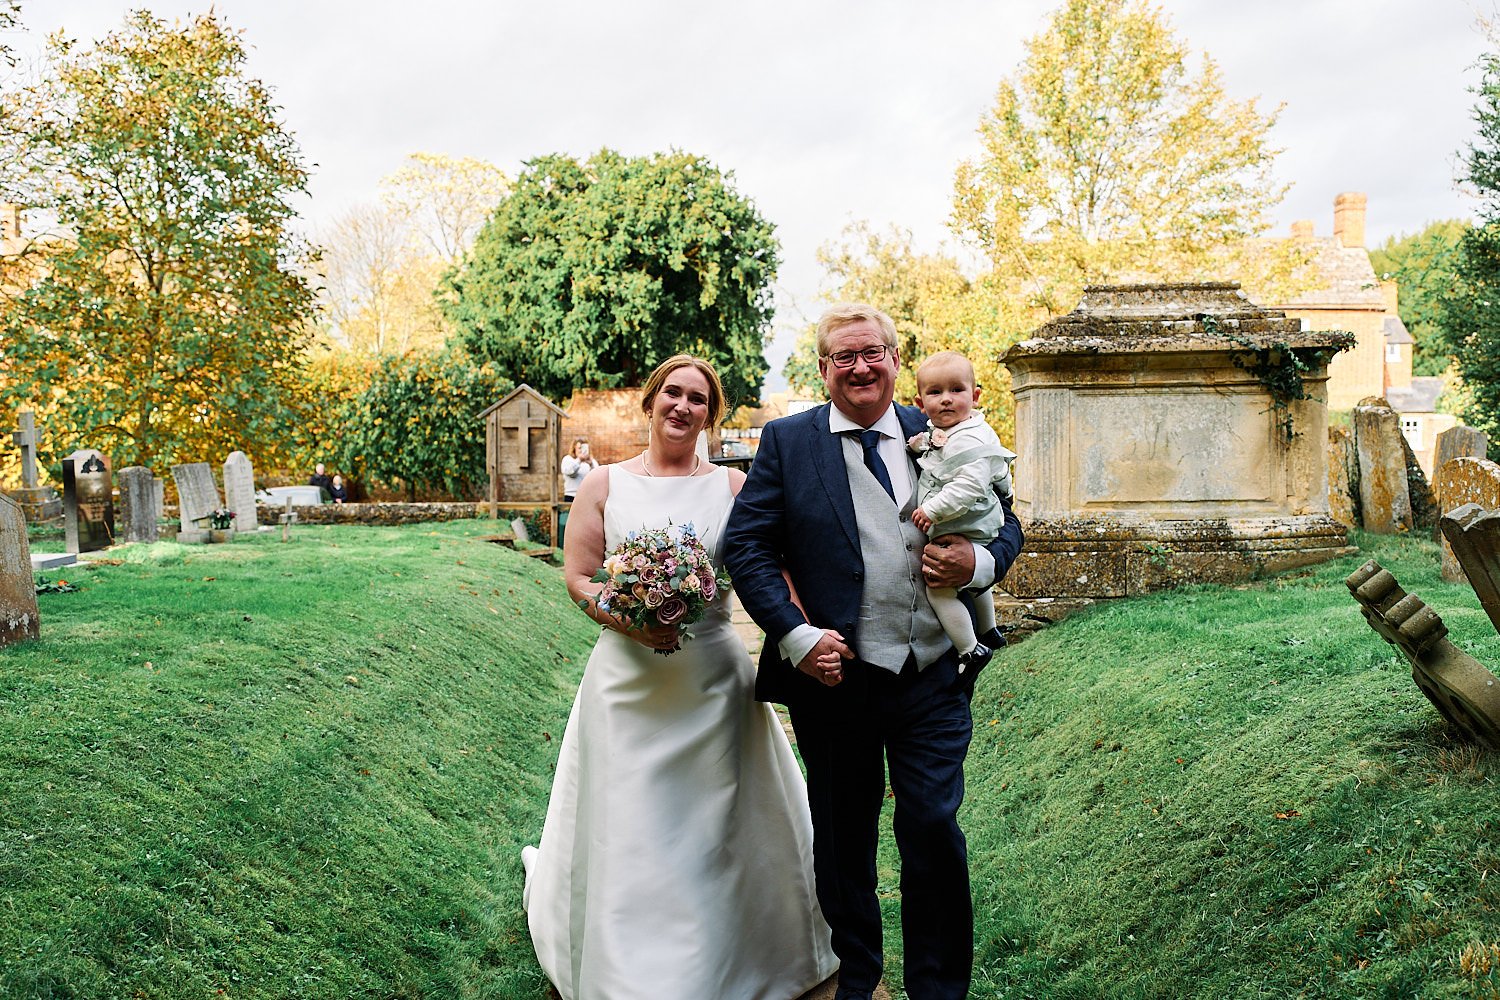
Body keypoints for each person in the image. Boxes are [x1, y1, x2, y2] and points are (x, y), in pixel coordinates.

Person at [723, 304, 1024, 1000]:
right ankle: (857, 981)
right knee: (843, 842)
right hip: (836, 683)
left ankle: (938, 990)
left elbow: (1008, 517)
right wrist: (797, 638)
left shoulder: (939, 428)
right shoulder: (789, 442)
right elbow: (748, 547)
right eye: (844, 356)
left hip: (931, 675)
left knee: (931, 826)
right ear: (824, 369)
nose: (860, 366)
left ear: (895, 359)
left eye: (874, 352)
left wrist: (979, 562)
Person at [521, 354, 837, 1000]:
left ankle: (732, 954)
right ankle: (623, 960)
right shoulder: (603, 485)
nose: (682, 407)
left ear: (710, 415)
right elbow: (580, 577)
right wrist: (631, 622)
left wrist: (802, 633)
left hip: (713, 679)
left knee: (715, 822)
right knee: (630, 819)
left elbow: (764, 570)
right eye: (673, 393)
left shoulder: (732, 489)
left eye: (698, 399)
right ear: (650, 401)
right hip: (626, 681)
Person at [907, 350, 1016, 674]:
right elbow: (935, 448)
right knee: (974, 580)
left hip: (969, 521)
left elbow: (968, 486)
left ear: (976, 395)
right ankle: (989, 630)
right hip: (971, 522)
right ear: (920, 402)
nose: (946, 400)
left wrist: (931, 510)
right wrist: (918, 445)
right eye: (935, 392)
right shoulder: (950, 429)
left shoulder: (971, 438)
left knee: (940, 590)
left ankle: (970, 650)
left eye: (957, 390)